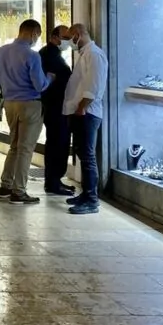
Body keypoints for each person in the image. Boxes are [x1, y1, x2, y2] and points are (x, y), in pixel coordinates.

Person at [0, 19, 53, 205]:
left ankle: (5, 186)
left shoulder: (1, 51)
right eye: (38, 35)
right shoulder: (32, 55)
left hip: (9, 103)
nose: (37, 39)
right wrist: (50, 78)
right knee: (26, 149)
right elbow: (40, 85)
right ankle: (19, 191)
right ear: (33, 33)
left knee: (14, 145)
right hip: (29, 104)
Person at [63, 23, 108, 215]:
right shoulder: (84, 54)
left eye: (69, 37)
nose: (68, 42)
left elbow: (94, 86)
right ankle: (85, 193)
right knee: (82, 153)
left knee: (88, 156)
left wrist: (82, 107)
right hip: (80, 110)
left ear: (78, 34)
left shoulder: (94, 54)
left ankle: (91, 199)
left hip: (87, 112)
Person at [40, 25, 75, 196]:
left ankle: (53, 180)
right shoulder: (50, 55)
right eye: (66, 37)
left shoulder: (51, 53)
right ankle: (53, 181)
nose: (69, 41)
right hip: (55, 106)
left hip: (56, 105)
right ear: (55, 37)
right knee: (58, 143)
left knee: (57, 143)